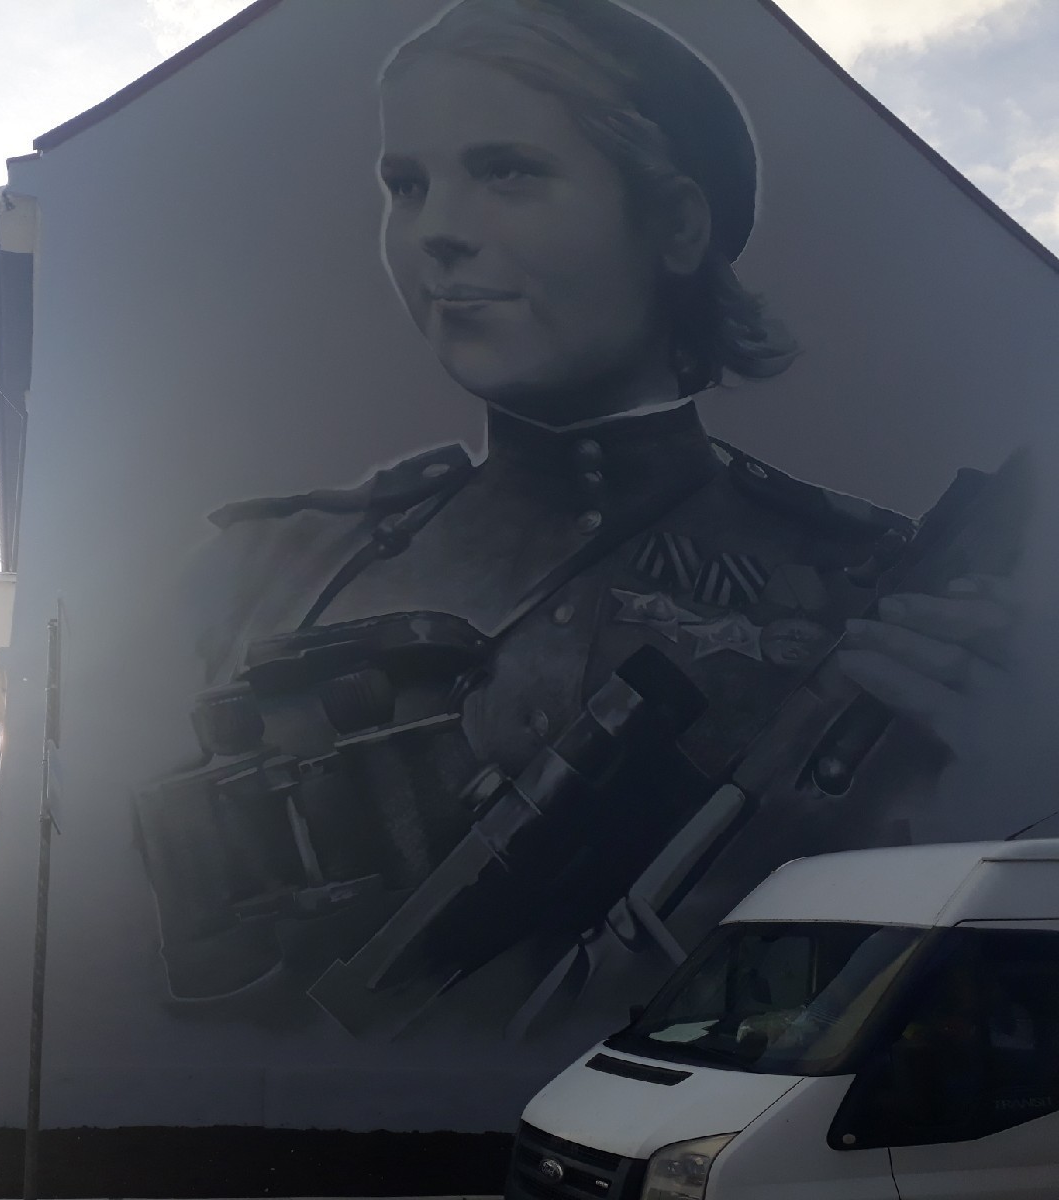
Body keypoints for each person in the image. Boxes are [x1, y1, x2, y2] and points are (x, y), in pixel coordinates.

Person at [131, 0, 1029, 1035]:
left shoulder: (869, 588)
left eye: (508, 171)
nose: (437, 231)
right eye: (407, 185)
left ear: (677, 225)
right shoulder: (272, 564)